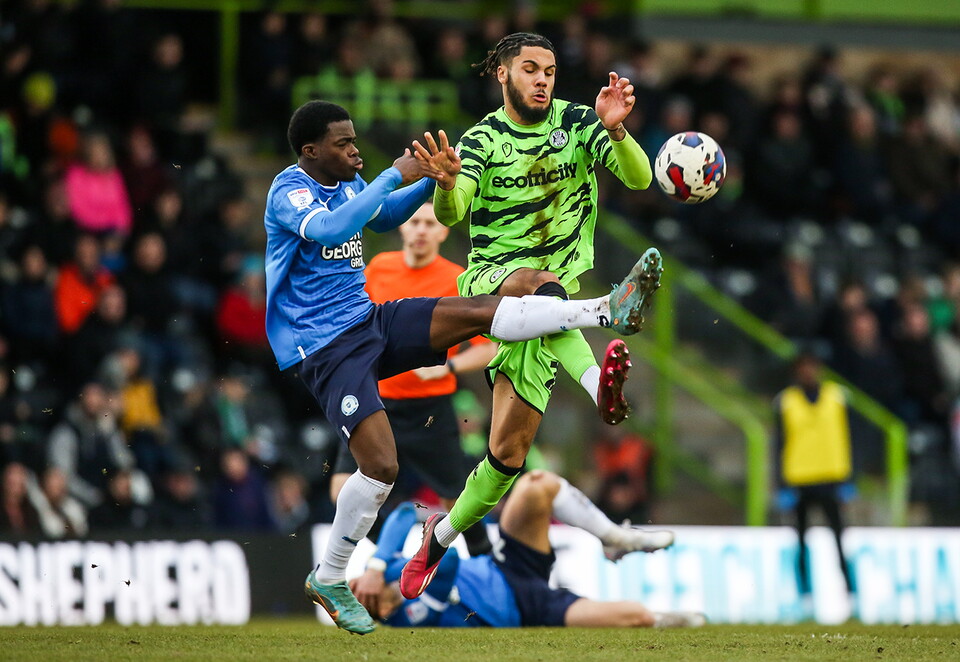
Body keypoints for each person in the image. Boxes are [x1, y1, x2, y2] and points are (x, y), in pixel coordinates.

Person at [264, 100, 657, 634]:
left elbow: (384, 214)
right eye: (343, 143)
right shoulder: (289, 192)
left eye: (356, 139)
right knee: (381, 467)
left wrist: (433, 179)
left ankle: (606, 309)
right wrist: (392, 173)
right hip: (324, 347)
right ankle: (330, 575)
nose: (355, 149)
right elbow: (333, 231)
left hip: (367, 321)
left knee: (476, 312)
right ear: (311, 151)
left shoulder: (348, 184)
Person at [402, 32, 660, 599]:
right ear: (502, 74)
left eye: (549, 70)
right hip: (494, 286)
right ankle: (600, 364)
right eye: (530, 69)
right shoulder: (482, 140)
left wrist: (615, 130)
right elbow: (456, 207)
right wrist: (445, 183)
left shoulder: (577, 122)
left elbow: (641, 179)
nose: (543, 80)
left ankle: (436, 539)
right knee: (543, 286)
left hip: (551, 312)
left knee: (505, 459)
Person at [329, 201, 498, 556]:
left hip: (429, 410)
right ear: (403, 228)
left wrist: (447, 367)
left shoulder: (457, 279)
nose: (421, 229)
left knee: (458, 499)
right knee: (342, 489)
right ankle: (390, 554)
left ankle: (488, 563)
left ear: (442, 232)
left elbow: (490, 348)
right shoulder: (378, 268)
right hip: (376, 402)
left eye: (429, 224)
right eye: (415, 222)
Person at [349, 470, 702, 629]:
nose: (357, 591)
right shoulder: (407, 620)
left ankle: (610, 536)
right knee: (636, 617)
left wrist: (376, 566)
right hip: (526, 609)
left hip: (502, 564)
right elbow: (451, 561)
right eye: (356, 598)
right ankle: (669, 620)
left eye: (351, 586)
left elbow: (401, 513)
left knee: (536, 484)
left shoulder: (388, 569)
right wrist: (396, 588)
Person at [773, 351, 856, 609]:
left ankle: (852, 593)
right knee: (800, 540)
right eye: (803, 367)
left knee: (840, 538)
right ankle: (805, 595)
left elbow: (851, 437)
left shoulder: (838, 397)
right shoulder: (785, 401)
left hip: (832, 477)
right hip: (800, 480)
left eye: (812, 366)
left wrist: (851, 476)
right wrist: (780, 483)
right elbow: (778, 444)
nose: (808, 372)